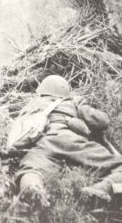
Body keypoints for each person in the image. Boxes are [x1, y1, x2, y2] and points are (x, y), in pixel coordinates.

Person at [10, 75, 122, 211]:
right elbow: (101, 121)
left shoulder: (33, 104)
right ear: (65, 92)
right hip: (71, 141)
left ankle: (33, 190)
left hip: (44, 143)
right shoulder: (72, 101)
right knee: (118, 165)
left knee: (31, 169)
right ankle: (100, 189)